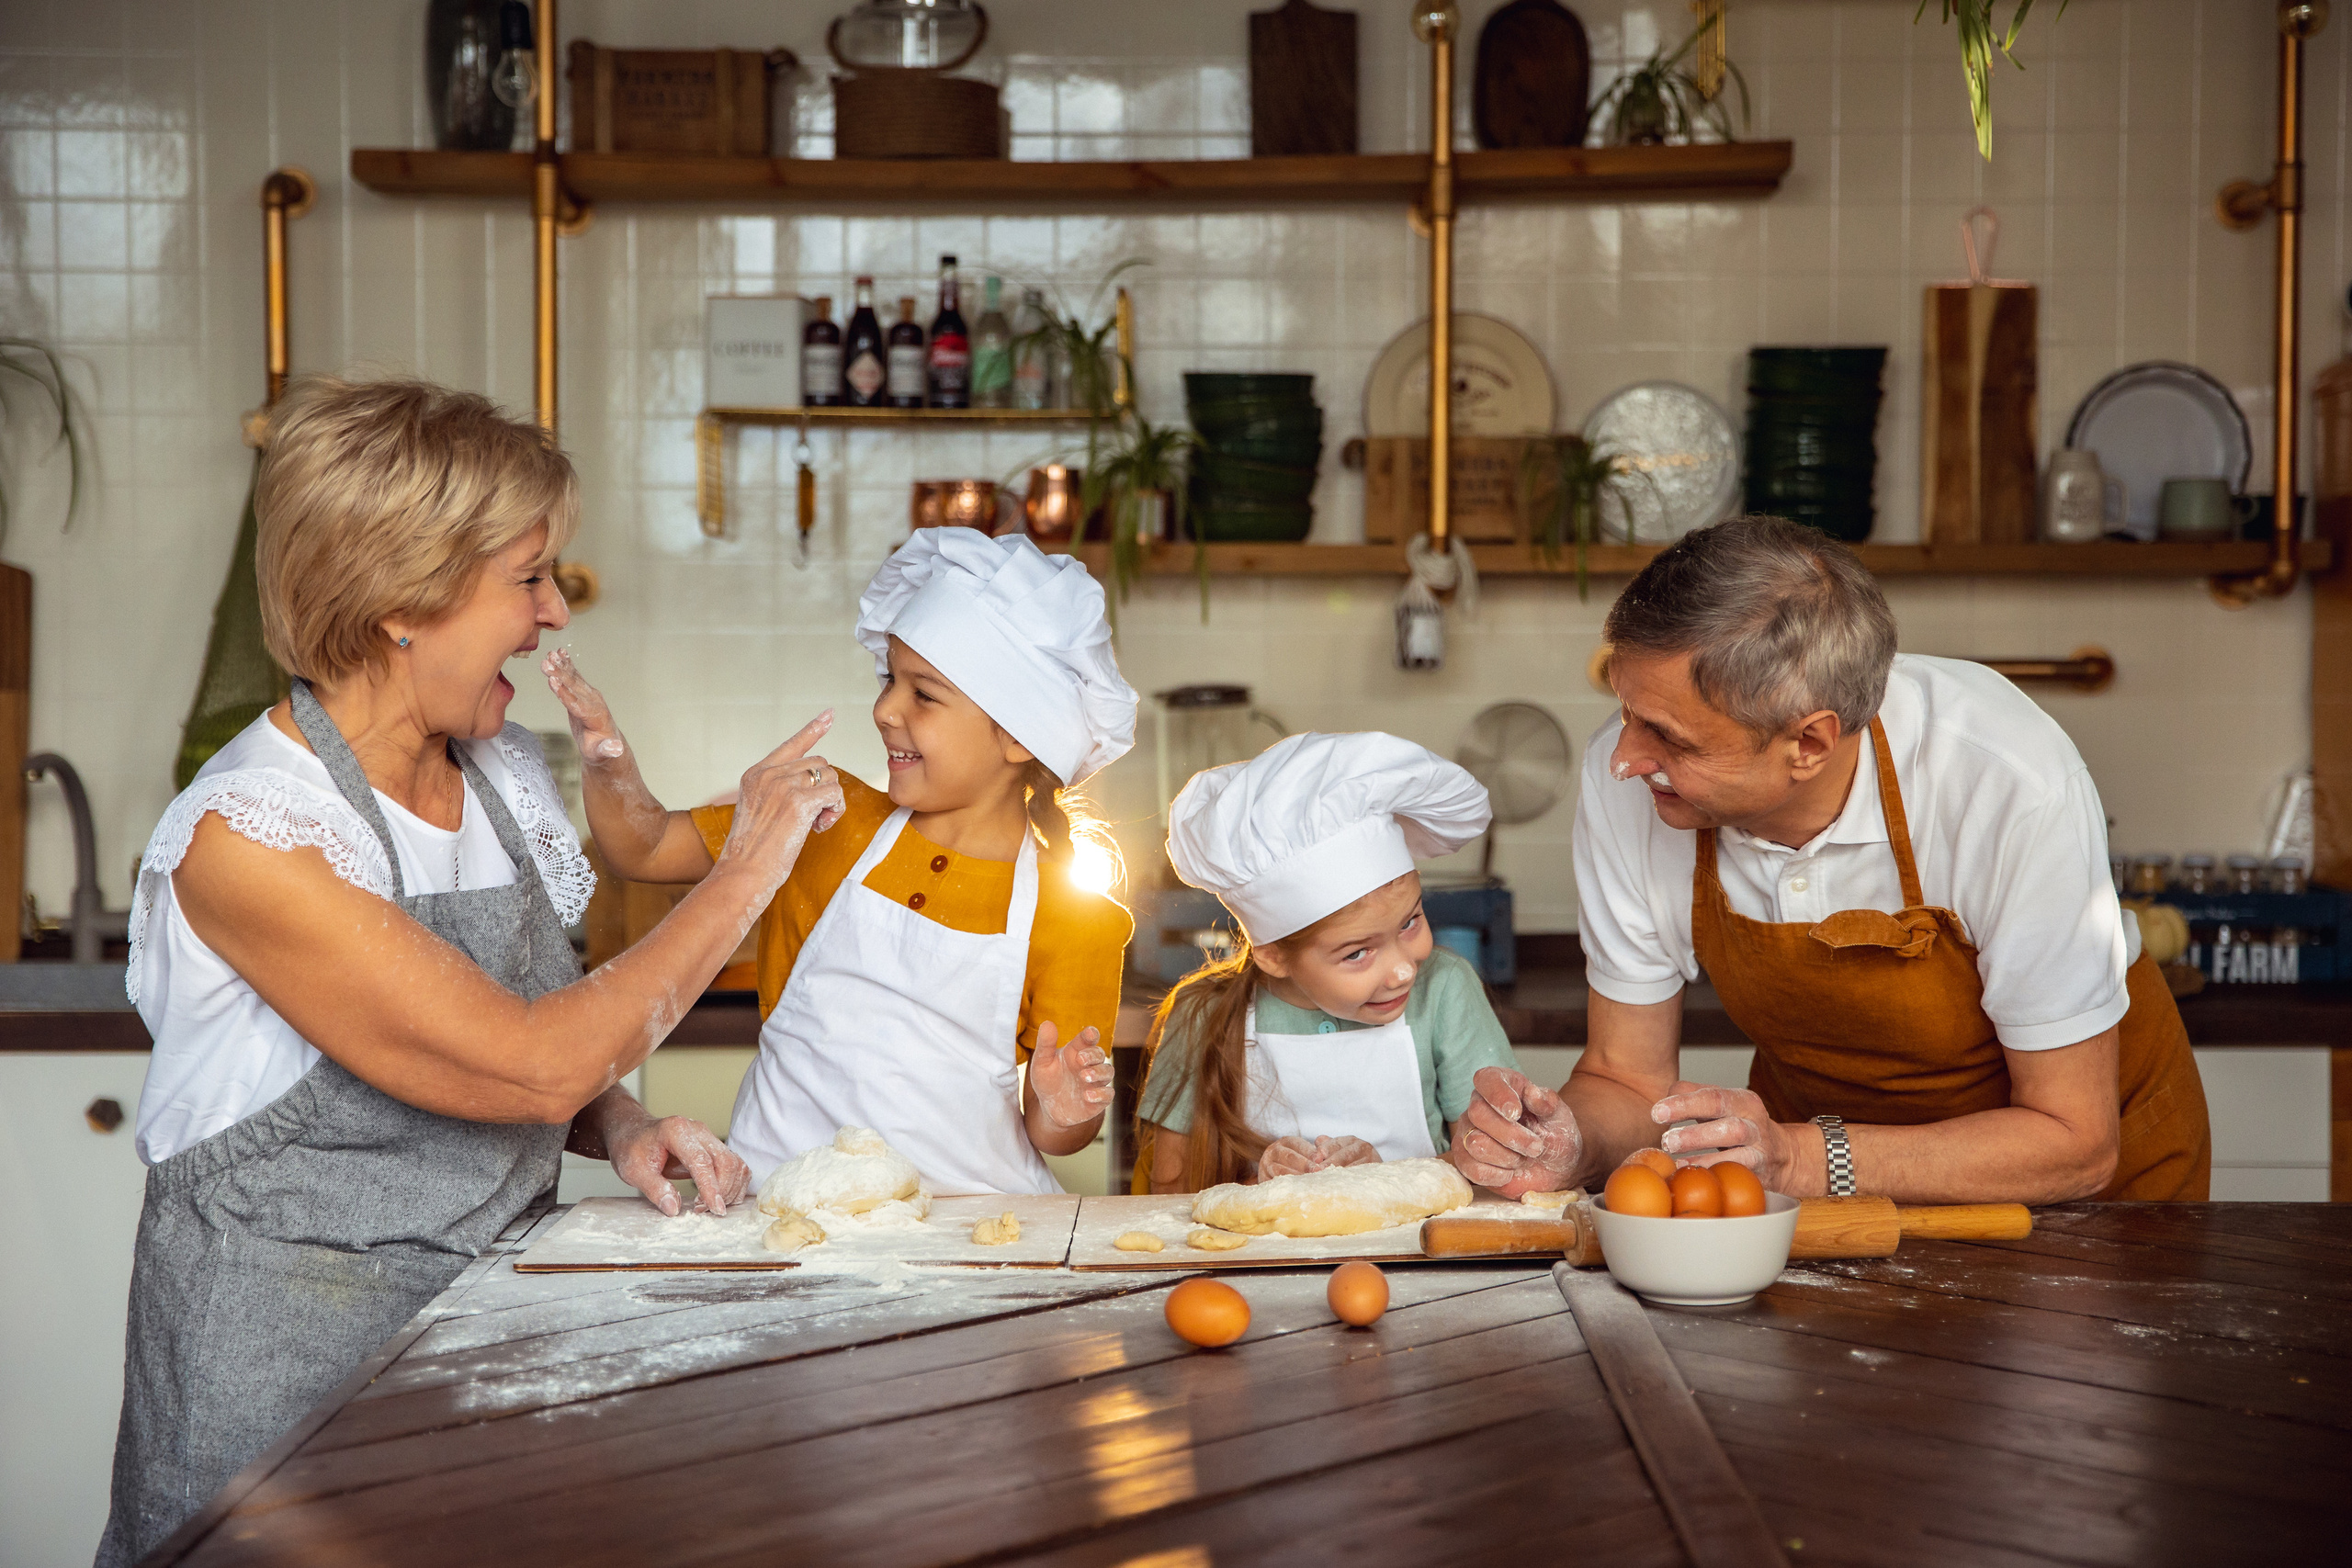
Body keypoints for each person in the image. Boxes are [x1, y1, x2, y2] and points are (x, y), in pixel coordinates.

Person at [98, 378, 845, 1565]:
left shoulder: (499, 777)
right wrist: (750, 865)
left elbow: (513, 1041)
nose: (554, 613)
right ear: (403, 599)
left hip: (477, 1354)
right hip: (279, 1403)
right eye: (527, 577)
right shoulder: (251, 835)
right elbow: (530, 1063)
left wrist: (620, 1121)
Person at [1454, 515, 2210, 1205]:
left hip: (2092, 1201)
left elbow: (2076, 1142)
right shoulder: (1632, 785)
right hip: (1825, 1184)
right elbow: (1625, 1075)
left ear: (1809, 743)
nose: (1624, 759)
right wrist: (1568, 1144)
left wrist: (1799, 1158)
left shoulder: (2006, 778)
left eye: (1671, 739)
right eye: (1627, 713)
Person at [554, 527, 1135, 1194]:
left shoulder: (1076, 918)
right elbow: (645, 845)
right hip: (783, 1214)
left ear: (1018, 735)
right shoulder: (827, 817)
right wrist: (608, 761)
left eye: (924, 693)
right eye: (889, 679)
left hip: (968, 1231)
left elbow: (1053, 1134)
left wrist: (1065, 1107)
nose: (884, 709)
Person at [1135, 731, 1521, 1192]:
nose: (1403, 971)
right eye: (1357, 953)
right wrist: (1259, 1185)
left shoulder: (1444, 990)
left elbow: (1502, 1171)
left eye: (1410, 922)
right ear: (1273, 955)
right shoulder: (1203, 1017)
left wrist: (1389, 1178)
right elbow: (1168, 1195)